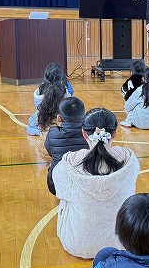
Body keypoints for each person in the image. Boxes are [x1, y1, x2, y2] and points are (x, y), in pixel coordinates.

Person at [52, 108, 140, 259]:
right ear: (115, 133)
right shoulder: (129, 159)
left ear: (84, 133)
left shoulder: (69, 162)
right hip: (122, 242)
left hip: (78, 244)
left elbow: (59, 191)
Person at [45, 96, 90, 195]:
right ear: (84, 116)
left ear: (58, 118)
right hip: (85, 185)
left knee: (53, 164)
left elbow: (50, 151)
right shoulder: (90, 133)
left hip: (56, 185)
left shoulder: (52, 132)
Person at [28, 63, 74, 136]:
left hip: (41, 122)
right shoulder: (64, 89)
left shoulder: (41, 88)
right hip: (60, 123)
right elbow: (71, 97)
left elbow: (38, 107)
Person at [35, 82, 69, 162]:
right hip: (56, 155)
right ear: (63, 97)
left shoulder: (41, 112)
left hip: (42, 151)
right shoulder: (64, 113)